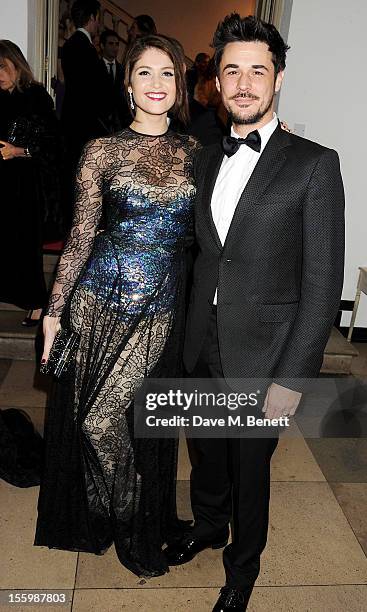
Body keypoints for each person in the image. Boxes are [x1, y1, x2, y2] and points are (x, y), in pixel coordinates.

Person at [165, 13, 345, 612]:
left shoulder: (315, 165)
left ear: (279, 79)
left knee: (250, 469)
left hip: (264, 352)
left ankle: (243, 569)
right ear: (215, 79)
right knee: (207, 450)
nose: (243, 83)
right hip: (200, 340)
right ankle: (209, 525)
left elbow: (322, 284)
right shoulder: (204, 157)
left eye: (257, 71)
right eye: (231, 70)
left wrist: (291, 378)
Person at [34, 34, 199, 578]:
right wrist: (56, 311)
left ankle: (132, 525)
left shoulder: (197, 152)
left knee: (103, 422)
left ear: (181, 84)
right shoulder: (101, 150)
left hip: (157, 309)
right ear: (127, 83)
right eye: (145, 73)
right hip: (95, 302)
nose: (157, 84)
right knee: (91, 421)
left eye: (167, 74)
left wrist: (277, 139)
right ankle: (114, 516)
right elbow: (81, 235)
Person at [0, 40, 62, 325]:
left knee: (26, 245)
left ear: (16, 64)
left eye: (2, 67)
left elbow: (52, 143)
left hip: (27, 184)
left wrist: (19, 151)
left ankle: (37, 303)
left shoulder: (36, 95)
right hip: (2, 180)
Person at [61, 0, 110, 226]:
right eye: (98, 18)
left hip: (74, 119)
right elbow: (96, 88)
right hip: (85, 121)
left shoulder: (72, 44)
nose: (98, 23)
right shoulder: (84, 47)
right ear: (92, 18)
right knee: (84, 174)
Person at [99, 29, 130, 132]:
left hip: (119, 124)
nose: (115, 47)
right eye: (111, 43)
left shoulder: (122, 70)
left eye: (117, 44)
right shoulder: (94, 68)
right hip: (100, 122)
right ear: (102, 46)